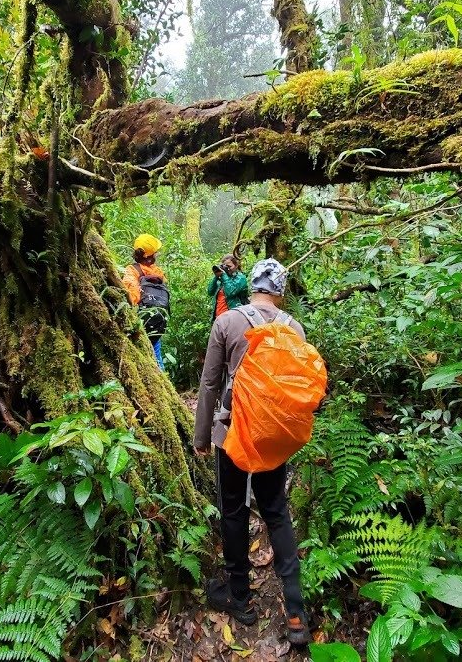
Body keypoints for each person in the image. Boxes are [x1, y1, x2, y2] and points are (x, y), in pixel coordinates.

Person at [193, 258, 312, 647]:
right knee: (276, 512)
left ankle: (240, 597)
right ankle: (295, 612)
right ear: (280, 290)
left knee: (233, 508)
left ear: (253, 286)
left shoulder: (227, 323)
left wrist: (201, 435)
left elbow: (210, 384)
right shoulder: (294, 328)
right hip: (272, 437)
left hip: (232, 434)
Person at [122, 233, 170, 370]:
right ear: (150, 256)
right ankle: (162, 380)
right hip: (158, 321)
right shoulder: (158, 273)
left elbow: (131, 297)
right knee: (156, 354)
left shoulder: (132, 271)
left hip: (140, 322)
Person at [207, 254, 249, 322]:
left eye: (229, 266)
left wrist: (223, 275)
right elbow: (210, 292)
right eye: (225, 266)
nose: (227, 268)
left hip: (234, 318)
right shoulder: (222, 280)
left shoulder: (241, 278)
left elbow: (230, 292)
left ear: (236, 265)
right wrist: (216, 277)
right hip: (218, 318)